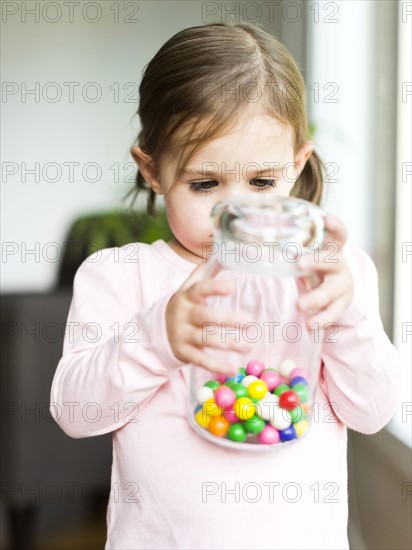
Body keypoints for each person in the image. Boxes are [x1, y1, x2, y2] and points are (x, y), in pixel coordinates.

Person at [50, 22, 400, 549]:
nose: (235, 212)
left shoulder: (331, 271)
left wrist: (346, 316)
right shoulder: (122, 276)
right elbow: (75, 413)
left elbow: (373, 412)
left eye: (262, 182)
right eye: (205, 184)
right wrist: (157, 336)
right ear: (152, 170)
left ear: (296, 164)